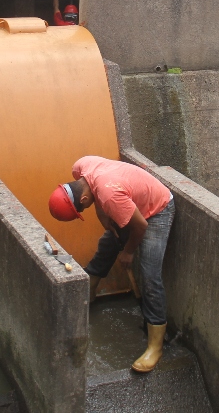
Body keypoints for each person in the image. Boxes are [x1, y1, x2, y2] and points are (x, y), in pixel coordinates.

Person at [48, 156, 174, 373]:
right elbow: (97, 195)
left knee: (149, 274)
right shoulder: (80, 166)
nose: (86, 209)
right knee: (108, 243)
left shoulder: (109, 195)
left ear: (84, 198)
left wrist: (128, 252)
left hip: (157, 210)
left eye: (83, 209)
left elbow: (141, 226)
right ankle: (88, 292)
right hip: (129, 200)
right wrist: (103, 217)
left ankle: (156, 346)